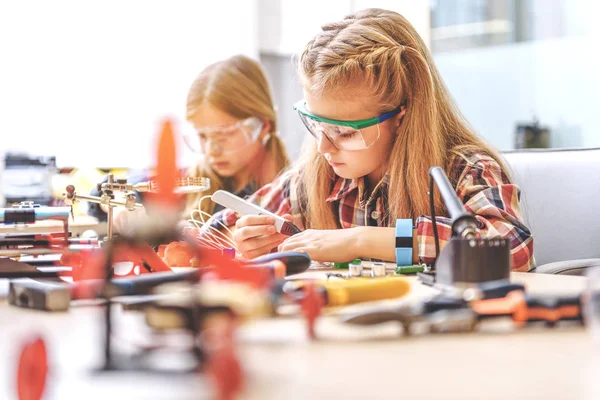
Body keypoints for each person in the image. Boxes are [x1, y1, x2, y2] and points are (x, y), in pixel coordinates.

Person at [208, 8, 533, 271]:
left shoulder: (465, 170)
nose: (324, 147)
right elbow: (210, 235)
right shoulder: (315, 181)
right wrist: (240, 242)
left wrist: (362, 239)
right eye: (316, 124)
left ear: (402, 115)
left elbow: (511, 248)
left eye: (345, 132)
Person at [108, 55, 290, 235]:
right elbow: (115, 187)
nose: (211, 150)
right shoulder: (193, 181)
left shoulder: (289, 192)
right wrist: (121, 201)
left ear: (263, 126)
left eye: (224, 134)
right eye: (202, 136)